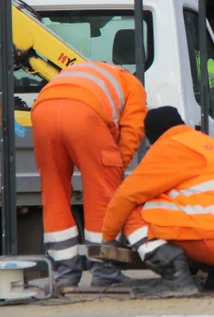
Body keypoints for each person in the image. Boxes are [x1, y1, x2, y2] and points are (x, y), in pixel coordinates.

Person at [102, 106, 214, 296]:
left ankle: (176, 277)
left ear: (154, 135)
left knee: (134, 211)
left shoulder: (170, 146)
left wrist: (108, 239)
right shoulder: (207, 144)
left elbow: (126, 196)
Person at [31, 61, 146, 289]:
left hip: (42, 112)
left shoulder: (83, 72)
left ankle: (64, 276)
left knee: (54, 196)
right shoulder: (133, 85)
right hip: (85, 114)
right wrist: (115, 168)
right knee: (102, 197)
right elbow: (132, 131)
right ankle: (105, 273)